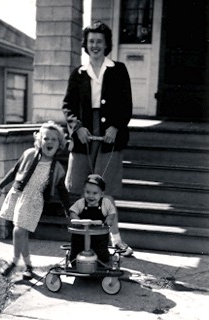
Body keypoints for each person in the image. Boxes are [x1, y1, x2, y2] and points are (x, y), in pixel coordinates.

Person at [62, 20, 133, 256]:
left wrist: (115, 127)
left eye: (99, 42)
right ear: (86, 44)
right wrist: (77, 127)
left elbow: (126, 105)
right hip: (84, 136)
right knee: (83, 189)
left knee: (106, 190)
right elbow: (68, 107)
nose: (95, 45)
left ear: (106, 45)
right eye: (91, 41)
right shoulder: (78, 73)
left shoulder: (119, 70)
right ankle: (83, 241)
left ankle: (116, 240)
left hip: (108, 138)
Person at [0, 121, 70, 279]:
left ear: (60, 144)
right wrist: (1, 185)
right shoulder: (29, 154)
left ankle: (14, 261)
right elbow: (15, 171)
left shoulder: (57, 168)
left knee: (18, 229)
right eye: (45, 138)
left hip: (34, 201)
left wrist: (68, 209)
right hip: (18, 194)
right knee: (22, 233)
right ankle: (28, 266)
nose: (49, 142)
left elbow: (63, 191)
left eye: (53, 139)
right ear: (39, 140)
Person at [69, 174, 116, 264]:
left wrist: (109, 219)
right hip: (81, 233)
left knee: (101, 250)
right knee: (76, 247)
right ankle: (75, 262)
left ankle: (102, 263)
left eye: (95, 193)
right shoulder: (81, 203)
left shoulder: (105, 203)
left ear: (102, 194)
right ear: (84, 192)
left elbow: (111, 212)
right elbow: (72, 211)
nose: (91, 196)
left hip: (99, 233)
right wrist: (77, 219)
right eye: (87, 192)